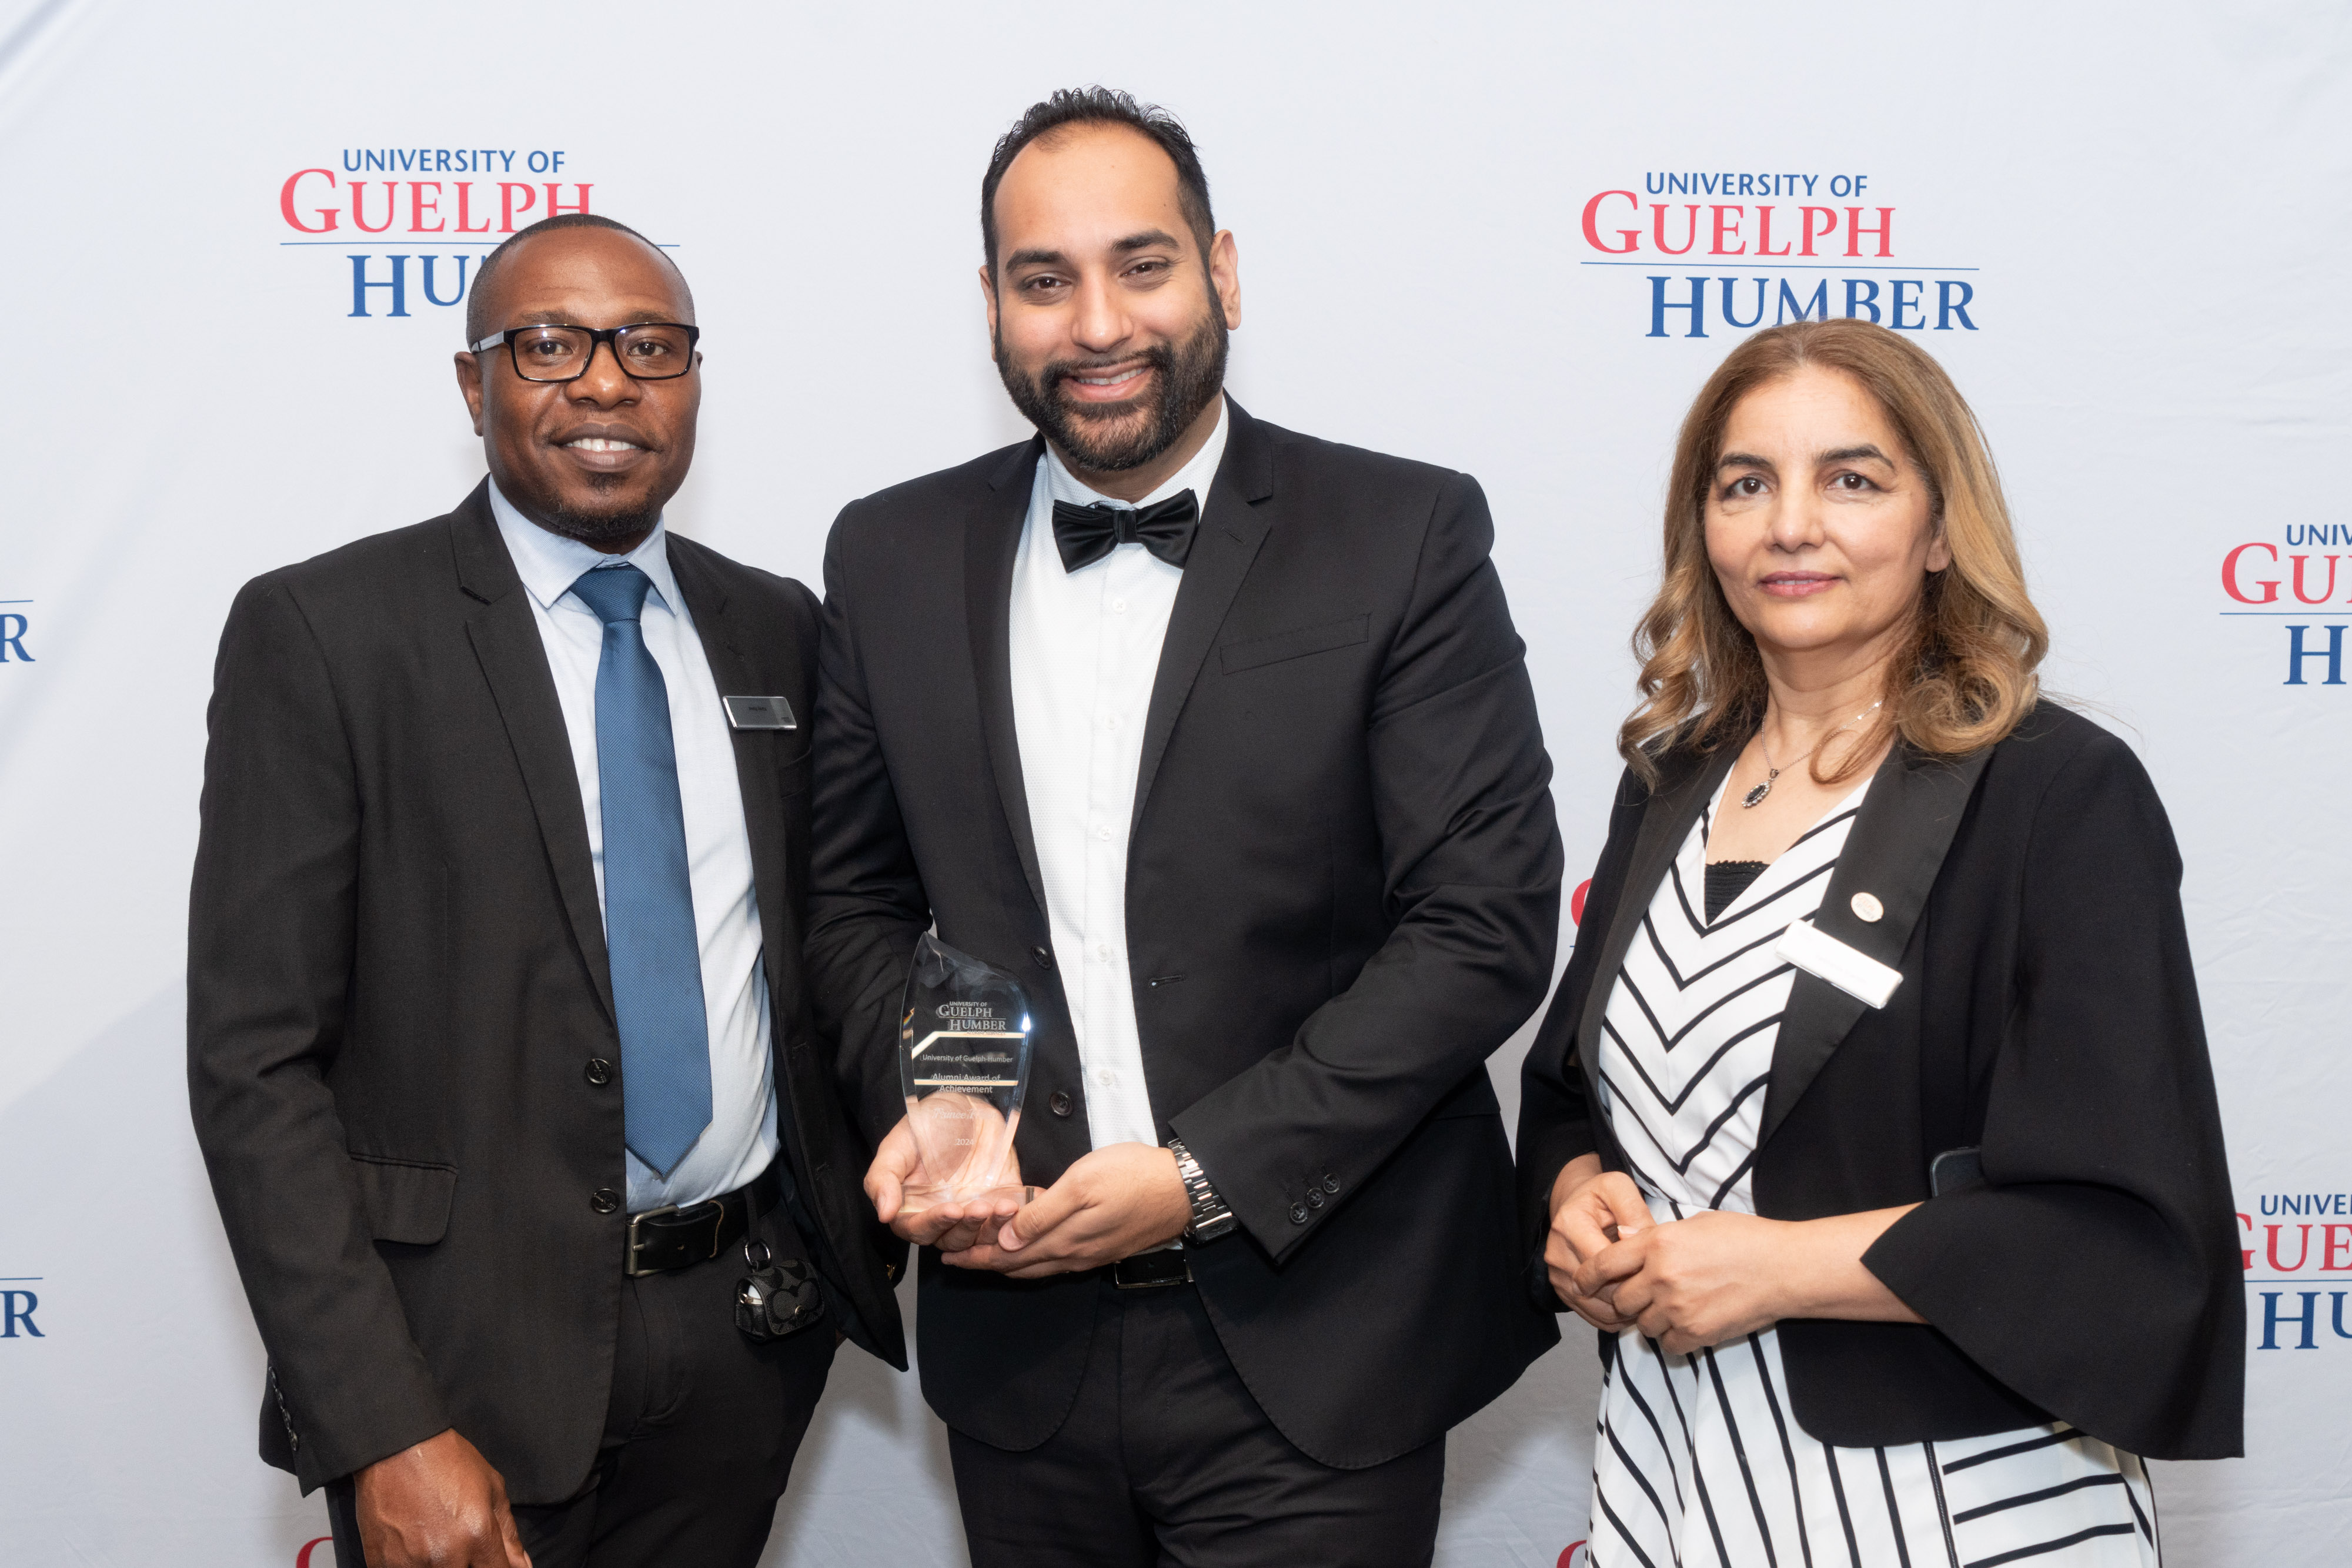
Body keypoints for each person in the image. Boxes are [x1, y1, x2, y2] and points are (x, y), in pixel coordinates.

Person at [807, 88, 1563, 1566]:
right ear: (989, 304)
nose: (1096, 322)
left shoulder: (1401, 533)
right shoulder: (886, 552)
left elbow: (1479, 922)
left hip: (1320, 1340)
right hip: (1017, 1352)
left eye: (1140, 266)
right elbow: (852, 904)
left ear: (1222, 270)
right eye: (1043, 280)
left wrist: (1202, 1172)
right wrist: (949, 1096)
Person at [188, 212, 901, 1568]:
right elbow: (253, 1063)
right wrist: (379, 1425)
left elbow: (830, 949)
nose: (604, 382)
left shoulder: (779, 627)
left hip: (744, 1333)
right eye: (548, 344)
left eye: (650, 344)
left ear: (691, 378)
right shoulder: (327, 632)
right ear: (474, 384)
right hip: (453, 1364)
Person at [1516, 319, 2242, 1567]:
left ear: (1940, 526)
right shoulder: (1667, 782)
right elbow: (1572, 1096)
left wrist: (1778, 1264)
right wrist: (1579, 1201)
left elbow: (2123, 1231)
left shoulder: (2053, 796)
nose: (1789, 524)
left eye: (1849, 479)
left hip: (1961, 1500)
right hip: (1670, 1473)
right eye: (1744, 483)